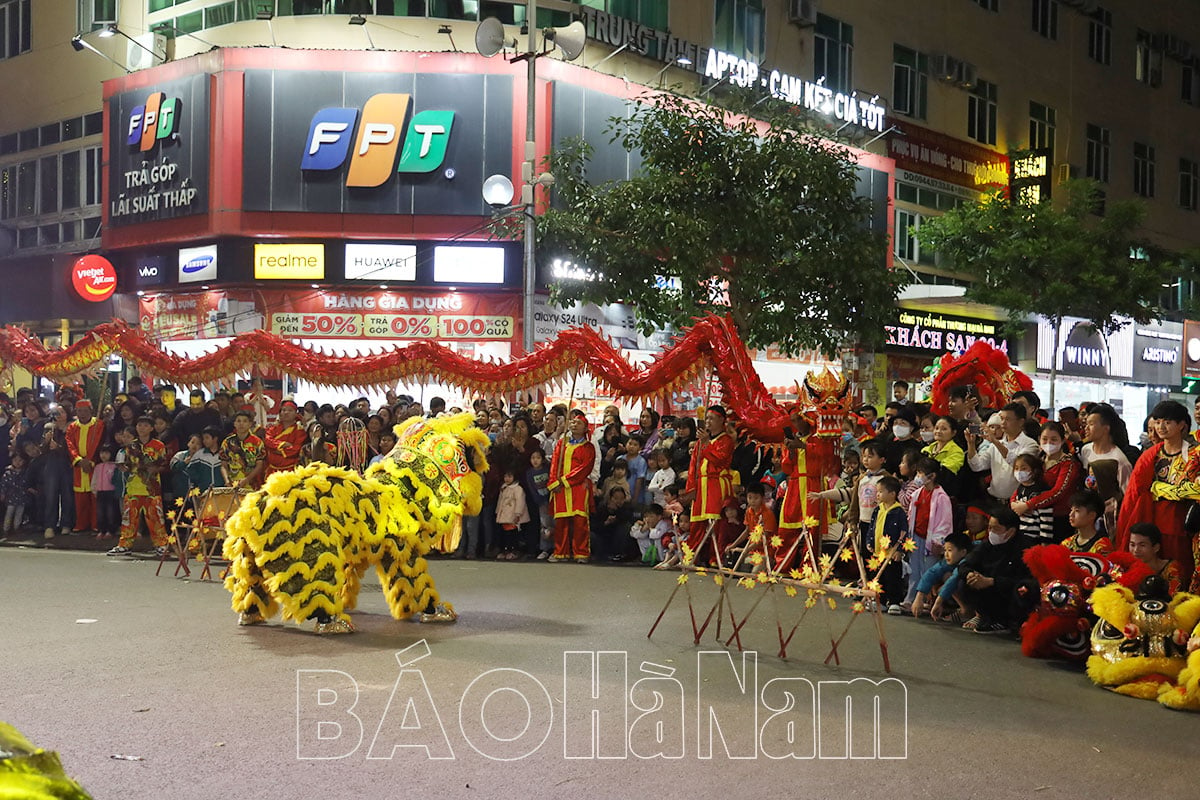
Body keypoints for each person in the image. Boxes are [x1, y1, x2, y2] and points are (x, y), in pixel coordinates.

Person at [1116, 399, 1196, 591]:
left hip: (1184, 526)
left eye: (1167, 422)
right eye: (1158, 421)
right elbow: (1133, 495)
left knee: (1182, 576)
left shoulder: (1195, 455)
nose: (1161, 427)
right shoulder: (1151, 455)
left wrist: (1160, 489)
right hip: (1152, 524)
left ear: (1182, 425)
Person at [957, 507, 1033, 634]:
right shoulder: (987, 544)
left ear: (1011, 531)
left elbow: (1025, 580)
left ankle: (1006, 622)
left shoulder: (1026, 548)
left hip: (1009, 592)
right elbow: (964, 564)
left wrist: (993, 581)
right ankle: (984, 616)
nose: (991, 532)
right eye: (989, 528)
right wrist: (970, 575)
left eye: (996, 529)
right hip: (987, 586)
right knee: (964, 583)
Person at [107, 416, 169, 557]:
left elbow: (164, 465)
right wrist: (124, 468)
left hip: (152, 488)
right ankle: (124, 545)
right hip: (133, 486)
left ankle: (161, 545)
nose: (142, 428)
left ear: (151, 428)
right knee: (129, 518)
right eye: (140, 425)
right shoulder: (131, 446)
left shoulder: (158, 445)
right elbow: (128, 465)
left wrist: (155, 469)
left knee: (156, 518)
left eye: (145, 425)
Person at [1010, 421, 1082, 539]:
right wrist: (1013, 502)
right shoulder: (1038, 460)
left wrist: (1028, 505)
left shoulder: (1068, 464)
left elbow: (1058, 492)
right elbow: (1024, 484)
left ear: (1063, 440)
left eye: (1054, 439)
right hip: (1033, 518)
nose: (1049, 443)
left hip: (1057, 518)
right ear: (1039, 439)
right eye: (1044, 439)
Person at [684, 406, 735, 565]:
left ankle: (715, 558)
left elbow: (720, 460)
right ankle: (690, 556)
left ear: (721, 420)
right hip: (702, 485)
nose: (708, 422)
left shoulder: (726, 440)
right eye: (706, 419)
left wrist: (707, 443)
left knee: (717, 523)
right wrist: (691, 488)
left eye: (711, 418)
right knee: (697, 524)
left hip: (716, 484)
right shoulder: (700, 442)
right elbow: (693, 467)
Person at [966, 402, 1040, 503]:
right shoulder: (995, 444)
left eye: (1008, 419)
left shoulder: (1030, 444)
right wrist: (971, 444)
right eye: (1002, 419)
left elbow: (1018, 464)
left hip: (1017, 502)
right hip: (992, 500)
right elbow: (977, 466)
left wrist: (996, 442)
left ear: (1021, 422)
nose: (1003, 423)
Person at [904, 457, 953, 611]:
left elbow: (944, 522)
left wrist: (939, 542)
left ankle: (925, 600)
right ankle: (910, 598)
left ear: (932, 476)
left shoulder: (941, 497)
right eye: (917, 472)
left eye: (921, 473)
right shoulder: (917, 494)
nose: (918, 476)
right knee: (914, 568)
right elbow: (911, 514)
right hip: (916, 535)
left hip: (931, 539)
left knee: (928, 570)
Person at [548, 410, 596, 563]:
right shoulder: (562, 444)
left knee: (579, 521)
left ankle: (581, 552)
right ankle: (560, 551)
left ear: (585, 428)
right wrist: (555, 482)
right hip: (560, 488)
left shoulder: (588, 447)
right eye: (573, 422)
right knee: (561, 521)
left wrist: (565, 480)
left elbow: (585, 468)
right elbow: (555, 464)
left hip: (578, 487)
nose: (575, 425)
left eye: (579, 423)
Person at [912, 531, 974, 622]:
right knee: (944, 579)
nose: (946, 554)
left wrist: (938, 602)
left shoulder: (969, 560)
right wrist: (919, 597)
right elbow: (932, 572)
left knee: (953, 581)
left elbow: (954, 579)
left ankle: (969, 612)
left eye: (950, 550)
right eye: (945, 550)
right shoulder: (948, 561)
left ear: (963, 552)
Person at [65, 399, 105, 534]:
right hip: (78, 466)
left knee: (94, 496)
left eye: (85, 411)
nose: (82, 414)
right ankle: (81, 523)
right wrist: (78, 460)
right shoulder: (72, 427)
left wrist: (90, 461)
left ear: (91, 411)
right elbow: (70, 445)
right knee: (80, 497)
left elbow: (98, 444)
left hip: (93, 465)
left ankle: (96, 523)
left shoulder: (99, 425)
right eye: (79, 411)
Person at [1078, 403, 1134, 491]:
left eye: (1091, 424)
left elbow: (1127, 493)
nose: (1086, 428)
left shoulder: (1119, 460)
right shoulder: (1086, 450)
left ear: (1106, 428)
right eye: (1086, 424)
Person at [724, 483, 777, 570]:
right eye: (750, 497)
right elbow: (747, 531)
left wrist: (746, 549)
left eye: (756, 498)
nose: (752, 501)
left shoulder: (768, 514)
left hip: (766, 553)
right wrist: (733, 545)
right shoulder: (749, 512)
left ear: (762, 498)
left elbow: (763, 539)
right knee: (738, 568)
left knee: (754, 574)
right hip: (752, 551)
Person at [1010, 453, 1054, 543]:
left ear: (1034, 471)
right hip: (1021, 534)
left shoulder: (1041, 489)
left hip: (1035, 537)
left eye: (1024, 468)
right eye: (1016, 468)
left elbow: (1046, 518)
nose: (1019, 472)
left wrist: (1045, 542)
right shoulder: (1020, 488)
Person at [1127, 522, 1181, 594]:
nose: (1136, 550)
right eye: (1132, 545)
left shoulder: (1171, 569)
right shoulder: (1126, 567)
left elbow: (1175, 599)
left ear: (1156, 548)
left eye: (1142, 545)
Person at [219, 410, 266, 490]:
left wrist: (247, 479)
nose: (241, 424)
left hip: (252, 485)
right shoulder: (227, 442)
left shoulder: (257, 442)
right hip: (232, 485)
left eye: (245, 421)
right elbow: (223, 465)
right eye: (238, 421)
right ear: (234, 424)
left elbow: (259, 465)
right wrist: (227, 481)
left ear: (250, 424)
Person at [921, 415, 964, 496]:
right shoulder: (925, 450)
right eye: (936, 428)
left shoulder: (957, 451)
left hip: (944, 493)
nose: (938, 431)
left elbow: (945, 473)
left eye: (944, 429)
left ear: (953, 432)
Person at [263, 399, 307, 477]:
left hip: (290, 470)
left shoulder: (299, 431)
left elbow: (296, 449)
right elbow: (267, 441)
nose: (286, 412)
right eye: (283, 410)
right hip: (271, 470)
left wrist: (276, 450)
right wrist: (283, 444)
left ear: (296, 414)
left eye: (290, 410)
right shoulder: (273, 428)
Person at [494, 470, 530, 561]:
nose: (507, 479)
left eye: (510, 477)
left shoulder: (518, 489)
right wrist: (498, 512)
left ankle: (514, 550)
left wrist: (518, 514)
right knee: (505, 533)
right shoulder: (503, 488)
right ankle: (506, 549)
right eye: (505, 476)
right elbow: (500, 501)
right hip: (504, 515)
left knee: (513, 534)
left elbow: (520, 502)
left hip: (513, 516)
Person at [526, 448, 552, 559]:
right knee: (544, 525)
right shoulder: (530, 473)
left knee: (554, 525)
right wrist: (539, 501)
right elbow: (532, 489)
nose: (535, 460)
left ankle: (556, 548)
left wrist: (550, 499)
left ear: (542, 459)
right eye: (533, 458)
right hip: (541, 503)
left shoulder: (547, 470)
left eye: (538, 458)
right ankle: (545, 548)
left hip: (551, 501)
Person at [0, 450, 29, 534]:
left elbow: (27, 484)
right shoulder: (8, 473)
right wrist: (2, 493)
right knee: (9, 514)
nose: (18, 462)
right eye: (15, 460)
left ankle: (17, 527)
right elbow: (3, 484)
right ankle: (6, 528)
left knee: (19, 515)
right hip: (11, 498)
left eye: (20, 460)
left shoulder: (25, 473)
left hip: (22, 498)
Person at [623, 434, 648, 507]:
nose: (631, 447)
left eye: (635, 445)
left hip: (634, 493)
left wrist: (635, 498)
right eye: (630, 443)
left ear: (640, 447)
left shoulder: (641, 461)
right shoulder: (620, 458)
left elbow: (639, 480)